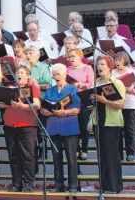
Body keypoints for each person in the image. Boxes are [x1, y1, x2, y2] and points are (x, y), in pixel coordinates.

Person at [0, 65, 41, 192]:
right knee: (13, 156)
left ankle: (28, 184)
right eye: (17, 73)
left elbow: (36, 105)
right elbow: (1, 104)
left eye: (22, 72)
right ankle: (16, 183)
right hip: (10, 125)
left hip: (27, 125)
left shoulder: (32, 87)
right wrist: (2, 103)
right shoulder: (9, 88)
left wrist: (22, 106)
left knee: (27, 155)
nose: (19, 74)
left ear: (28, 76)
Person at [40, 63, 80, 193]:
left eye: (59, 74)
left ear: (65, 75)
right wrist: (52, 112)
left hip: (69, 127)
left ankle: (73, 185)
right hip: (53, 127)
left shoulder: (72, 89)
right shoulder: (50, 90)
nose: (56, 76)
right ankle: (59, 185)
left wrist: (63, 112)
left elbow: (77, 109)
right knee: (56, 159)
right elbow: (42, 109)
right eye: (54, 74)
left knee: (71, 158)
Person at [89, 55, 126, 194]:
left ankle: (115, 186)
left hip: (112, 123)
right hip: (99, 121)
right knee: (102, 155)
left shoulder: (117, 82)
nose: (100, 67)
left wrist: (104, 101)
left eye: (103, 64)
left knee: (112, 155)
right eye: (98, 65)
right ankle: (104, 185)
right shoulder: (96, 82)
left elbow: (120, 104)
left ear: (110, 66)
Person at [112, 52, 135, 161]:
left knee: (129, 129)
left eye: (119, 60)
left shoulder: (132, 72)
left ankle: (130, 153)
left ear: (125, 60)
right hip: (116, 104)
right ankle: (118, 153)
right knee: (118, 130)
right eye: (116, 60)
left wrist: (132, 90)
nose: (117, 62)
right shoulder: (112, 73)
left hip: (129, 104)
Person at [66, 49, 95, 160]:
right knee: (73, 125)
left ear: (80, 56)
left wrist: (79, 84)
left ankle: (84, 149)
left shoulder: (87, 68)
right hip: (71, 101)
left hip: (83, 99)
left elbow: (92, 84)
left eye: (73, 56)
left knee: (83, 126)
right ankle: (76, 149)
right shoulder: (67, 70)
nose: (71, 59)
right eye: (69, 57)